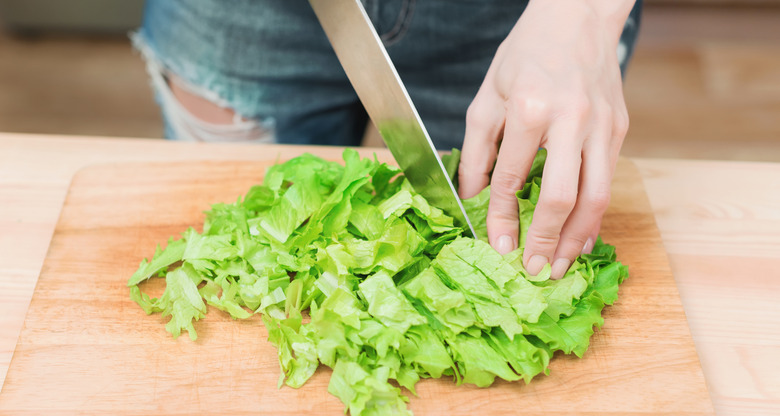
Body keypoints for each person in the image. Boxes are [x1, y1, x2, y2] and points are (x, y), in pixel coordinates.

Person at [132, 0, 642, 280]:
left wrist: (586, 12)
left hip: (526, 21)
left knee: (501, 207)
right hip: (247, 15)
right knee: (250, 236)